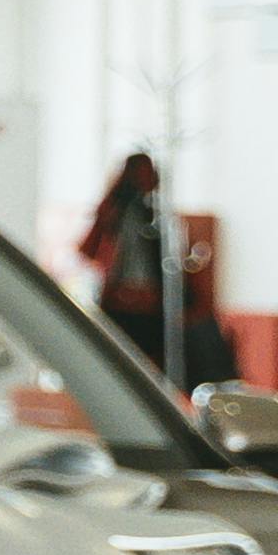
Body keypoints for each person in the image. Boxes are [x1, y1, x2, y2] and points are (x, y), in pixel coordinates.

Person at [75, 149, 223, 386]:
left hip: (147, 303)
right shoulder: (116, 211)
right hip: (123, 301)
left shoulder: (155, 213)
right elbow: (89, 250)